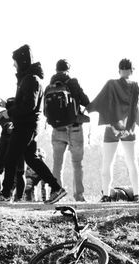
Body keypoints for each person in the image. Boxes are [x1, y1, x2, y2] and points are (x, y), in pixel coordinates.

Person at [0, 44, 67, 205]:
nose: (14, 65)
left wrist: (10, 110)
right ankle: (56, 188)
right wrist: (10, 105)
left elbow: (28, 106)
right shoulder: (32, 78)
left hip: (26, 125)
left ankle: (5, 194)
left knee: (10, 158)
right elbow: (27, 103)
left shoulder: (30, 79)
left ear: (23, 61)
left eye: (15, 62)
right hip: (31, 125)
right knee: (32, 159)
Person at [89, 59, 139, 200]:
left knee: (107, 163)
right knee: (132, 162)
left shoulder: (111, 84)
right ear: (132, 70)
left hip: (112, 128)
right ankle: (137, 194)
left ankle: (106, 194)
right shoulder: (138, 85)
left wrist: (86, 109)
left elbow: (99, 100)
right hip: (129, 129)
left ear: (119, 70)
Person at [44, 59, 90, 202]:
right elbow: (86, 101)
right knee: (77, 163)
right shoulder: (72, 82)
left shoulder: (48, 87)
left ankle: (56, 193)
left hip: (57, 129)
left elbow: (45, 112)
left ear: (56, 69)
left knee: (57, 164)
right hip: (74, 128)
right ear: (68, 70)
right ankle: (79, 195)